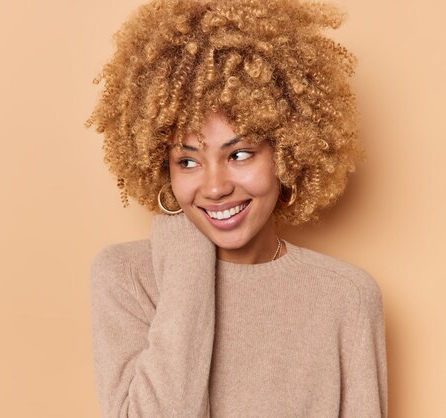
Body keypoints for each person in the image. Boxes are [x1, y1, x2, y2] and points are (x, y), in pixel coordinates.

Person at [85, 0, 388, 416]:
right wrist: (188, 260)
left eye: (240, 154)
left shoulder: (346, 298)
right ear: (162, 167)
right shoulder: (127, 278)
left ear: (287, 154)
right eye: (187, 161)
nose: (214, 187)